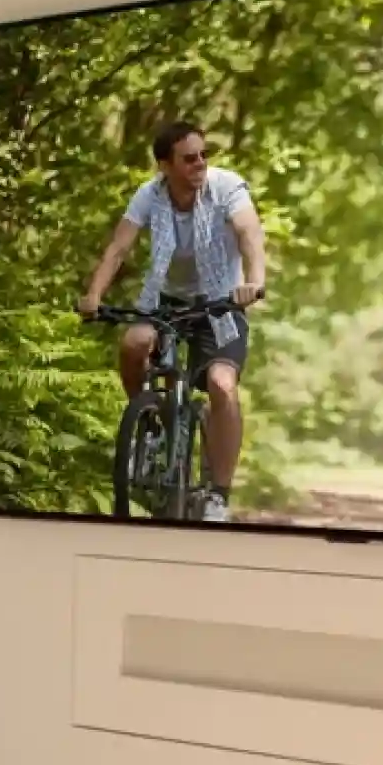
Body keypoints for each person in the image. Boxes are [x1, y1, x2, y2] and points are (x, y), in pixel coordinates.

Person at [78, 121, 267, 520]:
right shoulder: (149, 195)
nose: (200, 163)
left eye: (203, 155)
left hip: (220, 301)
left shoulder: (226, 187)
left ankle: (218, 494)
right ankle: (150, 426)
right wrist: (94, 295)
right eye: (189, 158)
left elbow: (250, 234)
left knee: (221, 384)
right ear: (165, 166)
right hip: (166, 300)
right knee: (134, 344)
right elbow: (119, 247)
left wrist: (254, 282)